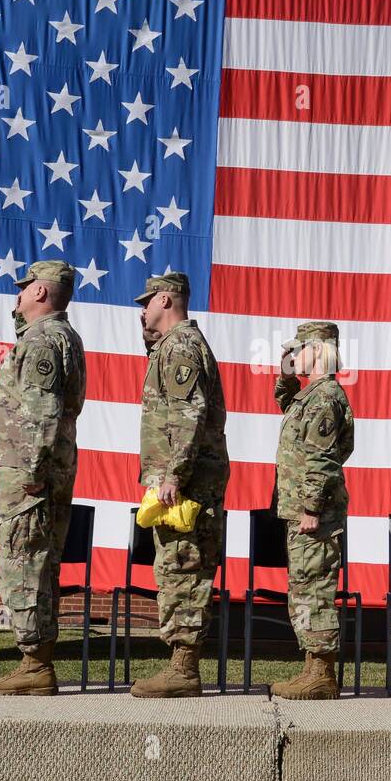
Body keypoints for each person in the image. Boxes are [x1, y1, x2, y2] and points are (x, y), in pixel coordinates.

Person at [0, 261, 86, 696]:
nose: (17, 297)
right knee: (40, 566)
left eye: (24, 290)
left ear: (41, 293)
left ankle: (33, 663)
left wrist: (30, 471)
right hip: (45, 471)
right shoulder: (59, 336)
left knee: (22, 566)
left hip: (30, 476)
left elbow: (40, 410)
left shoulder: (43, 340)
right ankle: (36, 662)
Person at [130, 272, 230, 697]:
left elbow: (188, 414)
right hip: (180, 481)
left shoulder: (183, 347)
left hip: (186, 484)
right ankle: (180, 663)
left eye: (148, 301)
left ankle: (184, 668)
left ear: (166, 299)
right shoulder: (170, 347)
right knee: (174, 567)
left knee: (185, 568)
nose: (142, 309)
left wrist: (174, 474)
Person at [269, 322, 355, 700]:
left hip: (314, 515)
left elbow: (321, 459)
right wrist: (286, 375)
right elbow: (286, 405)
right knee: (304, 586)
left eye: (299, 349)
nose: (294, 356)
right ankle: (312, 666)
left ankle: (321, 672)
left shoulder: (325, 397)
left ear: (318, 351)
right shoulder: (312, 395)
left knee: (314, 588)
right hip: (305, 511)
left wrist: (311, 508)